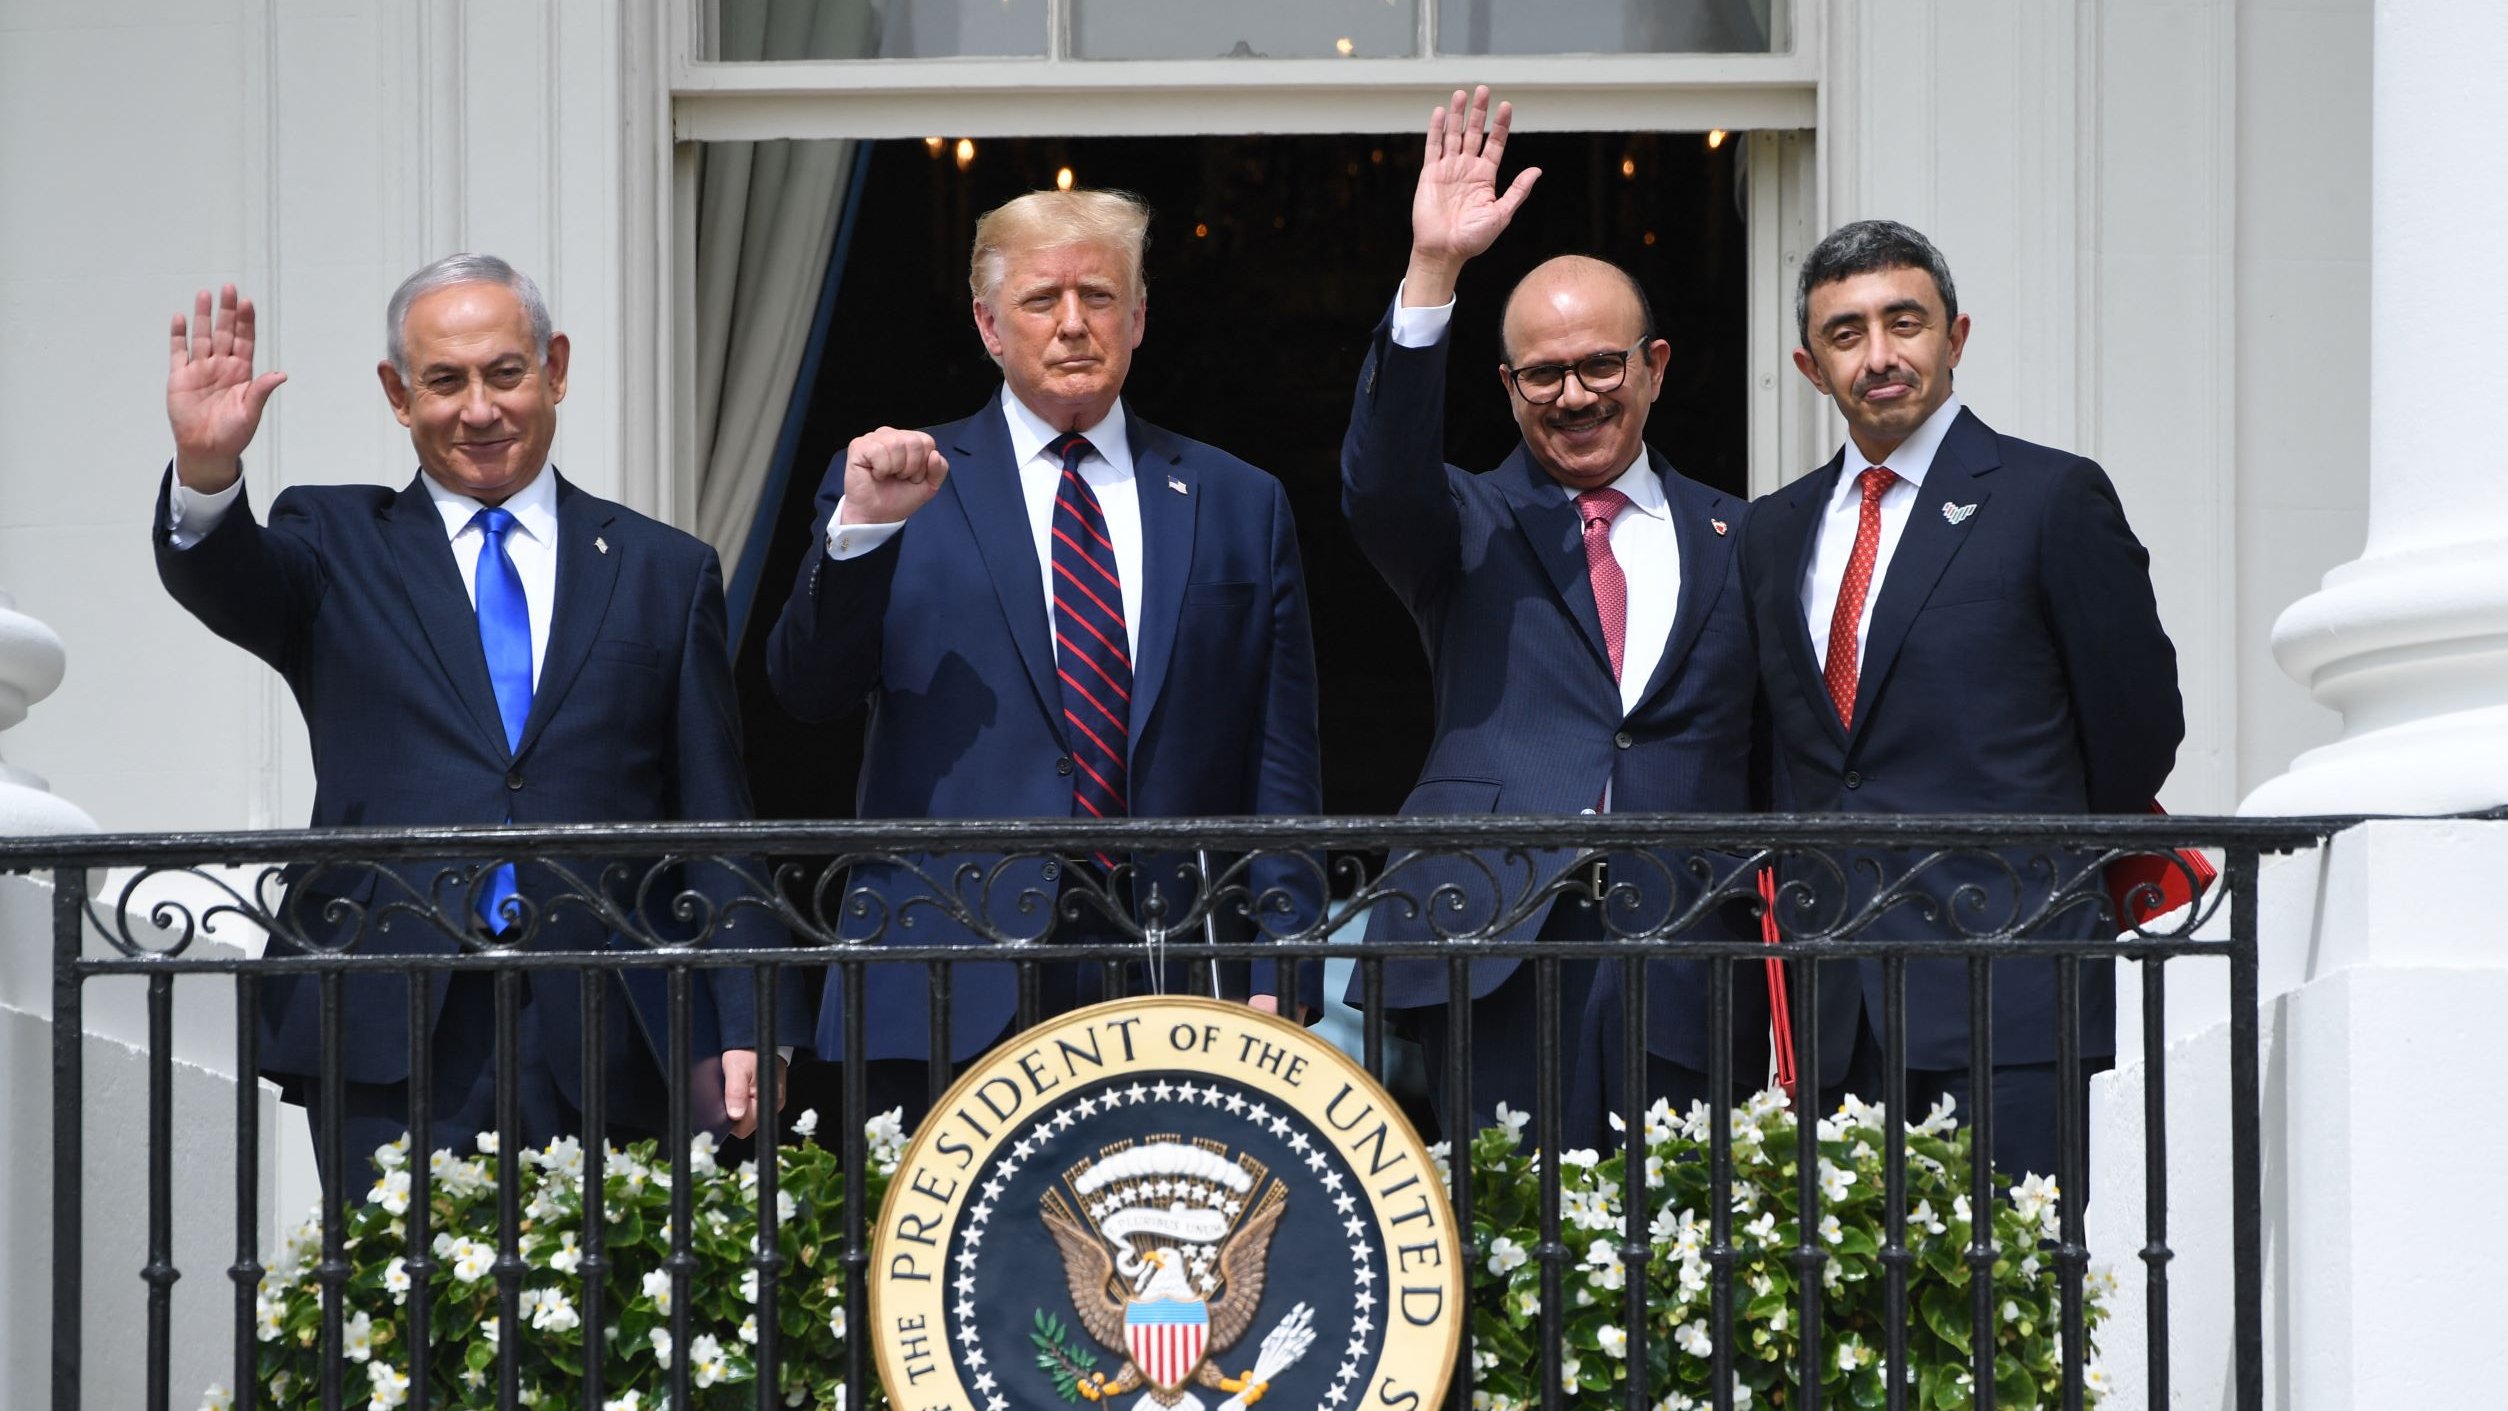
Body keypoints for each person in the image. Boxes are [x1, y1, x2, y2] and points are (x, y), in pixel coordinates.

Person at [156, 258, 796, 1182]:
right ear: (398, 394)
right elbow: (227, 580)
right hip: (388, 1011)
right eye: (445, 381)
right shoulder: (336, 543)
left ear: (555, 369)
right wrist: (208, 470)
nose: (479, 409)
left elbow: (713, 811)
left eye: (505, 373)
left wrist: (751, 1017)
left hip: (610, 1017)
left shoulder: (662, 568)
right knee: (393, 1314)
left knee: (607, 1316)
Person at [764, 188, 1323, 1123]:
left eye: (1099, 297)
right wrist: (860, 534)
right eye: (1041, 300)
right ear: (988, 324)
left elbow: (1280, 758)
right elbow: (806, 691)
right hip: (944, 973)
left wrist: (1281, 966)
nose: (1073, 324)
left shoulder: (1236, 499)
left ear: (1138, 317)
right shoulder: (901, 480)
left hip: (1170, 971)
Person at [1342, 88, 1765, 1150]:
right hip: (1490, 941)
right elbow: (1378, 477)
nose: (1572, 396)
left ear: (1654, 368)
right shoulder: (1464, 522)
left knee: (1681, 1256)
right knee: (1507, 1250)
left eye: (1599, 366)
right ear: (1506, 383)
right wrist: (1431, 273)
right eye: (1541, 374)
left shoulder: (1749, 537)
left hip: (1685, 945)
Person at [1740, 219, 2183, 1185]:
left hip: (2007, 983)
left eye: (1906, 322)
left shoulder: (2050, 495)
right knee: (1844, 1329)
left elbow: (2138, 726)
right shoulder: (1770, 532)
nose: (1882, 354)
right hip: (1831, 1008)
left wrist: (2034, 867)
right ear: (1810, 367)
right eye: (1847, 333)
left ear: (1956, 337)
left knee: (2007, 1319)